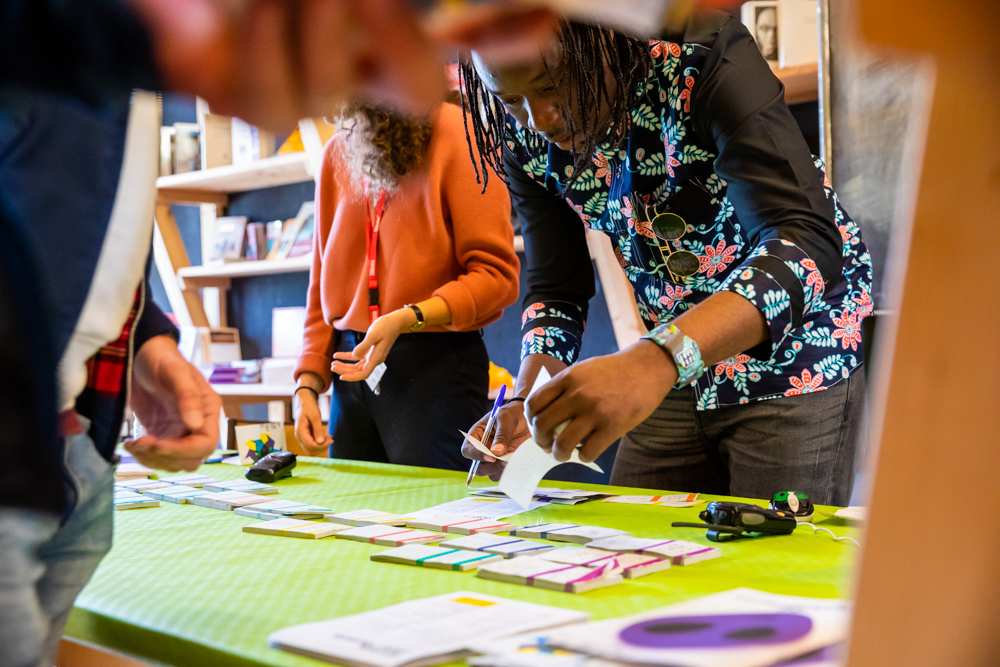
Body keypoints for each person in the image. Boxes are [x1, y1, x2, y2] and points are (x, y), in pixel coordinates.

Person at [458, 10, 873, 505]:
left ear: (604, 38)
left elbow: (803, 239)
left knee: (769, 569)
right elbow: (557, 289)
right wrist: (528, 400)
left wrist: (655, 360)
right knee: (636, 556)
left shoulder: (700, 59)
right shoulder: (522, 134)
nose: (539, 120)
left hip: (795, 358)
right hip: (671, 365)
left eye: (551, 86)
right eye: (511, 100)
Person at [293, 101, 519, 470]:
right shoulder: (337, 149)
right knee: (351, 516)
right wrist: (306, 382)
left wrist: (408, 316)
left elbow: (496, 276)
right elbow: (321, 284)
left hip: (436, 364)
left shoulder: (461, 133)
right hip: (350, 370)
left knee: (443, 518)